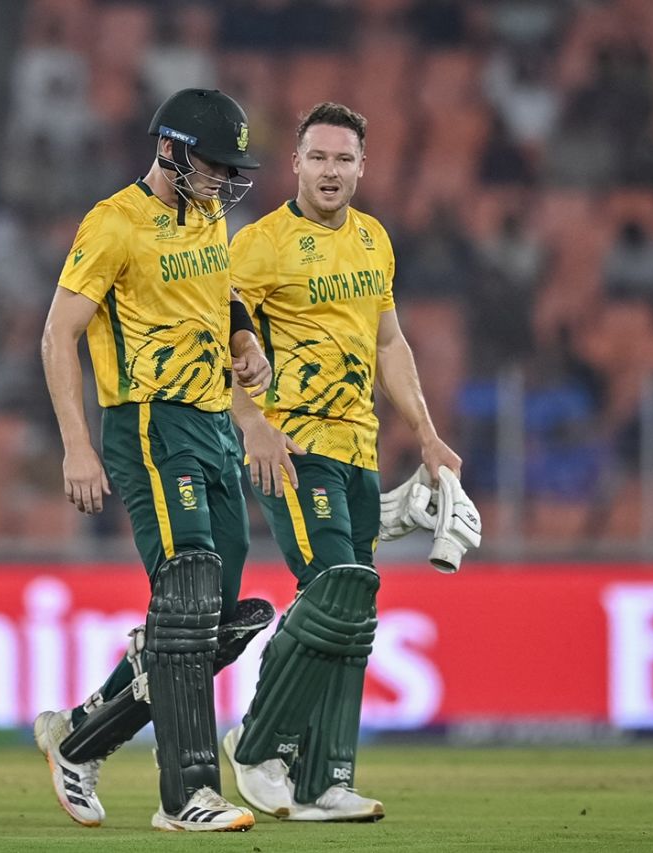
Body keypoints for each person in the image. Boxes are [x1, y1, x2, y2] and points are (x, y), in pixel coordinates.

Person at [34, 88, 272, 833]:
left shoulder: (208, 214)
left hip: (213, 424)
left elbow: (221, 296)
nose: (224, 180)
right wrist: (77, 444)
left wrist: (245, 341)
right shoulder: (113, 223)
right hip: (148, 421)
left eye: (231, 168)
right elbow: (58, 334)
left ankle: (80, 738)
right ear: (170, 149)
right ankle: (186, 794)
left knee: (212, 621)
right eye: (213, 164)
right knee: (190, 588)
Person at [222, 102, 463, 821]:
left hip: (360, 446)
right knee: (334, 587)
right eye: (319, 157)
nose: (331, 170)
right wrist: (251, 424)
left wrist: (426, 433)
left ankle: (326, 776)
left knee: (354, 607)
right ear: (296, 163)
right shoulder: (259, 246)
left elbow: (389, 343)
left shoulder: (374, 241)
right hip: (295, 446)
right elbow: (214, 336)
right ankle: (258, 747)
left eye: (344, 158)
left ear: (362, 167)